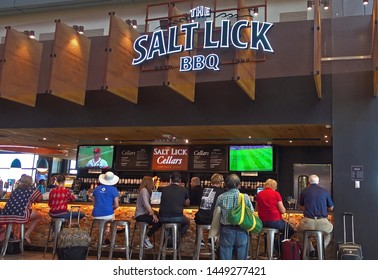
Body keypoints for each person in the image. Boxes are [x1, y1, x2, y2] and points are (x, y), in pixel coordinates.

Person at [214, 173, 253, 260]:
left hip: (226, 230)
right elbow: (251, 212)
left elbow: (216, 214)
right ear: (239, 185)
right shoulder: (245, 197)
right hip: (242, 230)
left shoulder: (221, 197)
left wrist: (216, 234)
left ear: (226, 184)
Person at [297, 174, 334, 256]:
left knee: (298, 231)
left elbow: (301, 206)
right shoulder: (324, 191)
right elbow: (331, 208)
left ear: (309, 182)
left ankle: (310, 249)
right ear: (318, 182)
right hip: (322, 222)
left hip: (308, 222)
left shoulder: (304, 191)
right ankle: (320, 247)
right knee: (330, 232)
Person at [0, 174, 43, 245]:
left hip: (6, 215)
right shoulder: (31, 189)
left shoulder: (16, 189)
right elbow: (40, 198)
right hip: (20, 214)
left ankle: (14, 239)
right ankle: (26, 235)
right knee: (40, 215)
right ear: (30, 182)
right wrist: (34, 200)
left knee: (17, 218)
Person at [256, 179, 294, 250]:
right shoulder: (276, 194)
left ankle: (268, 251)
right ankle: (276, 245)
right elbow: (282, 211)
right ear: (274, 186)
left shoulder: (259, 194)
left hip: (262, 222)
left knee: (267, 234)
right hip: (275, 221)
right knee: (290, 230)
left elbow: (257, 209)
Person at [158, 172, 190, 236]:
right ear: (180, 180)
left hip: (162, 217)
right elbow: (187, 203)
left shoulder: (164, 189)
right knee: (187, 222)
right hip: (177, 217)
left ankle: (169, 238)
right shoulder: (184, 190)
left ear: (171, 180)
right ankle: (176, 237)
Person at [92, 171, 119, 243]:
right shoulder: (114, 189)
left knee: (104, 221)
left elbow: (94, 204)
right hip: (108, 215)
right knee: (110, 218)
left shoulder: (96, 189)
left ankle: (100, 239)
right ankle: (107, 235)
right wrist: (111, 208)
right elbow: (116, 205)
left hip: (96, 215)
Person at [134, 176, 161, 249]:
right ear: (149, 183)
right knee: (158, 221)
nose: (153, 184)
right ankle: (146, 237)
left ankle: (146, 235)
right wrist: (153, 215)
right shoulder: (144, 190)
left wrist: (153, 212)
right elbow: (146, 205)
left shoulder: (144, 190)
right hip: (140, 216)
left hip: (143, 214)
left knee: (159, 217)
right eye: (152, 182)